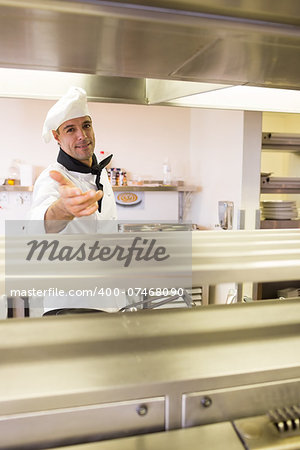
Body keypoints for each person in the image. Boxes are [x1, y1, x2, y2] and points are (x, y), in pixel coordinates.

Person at [29, 86, 117, 233]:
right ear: (57, 137)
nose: (82, 135)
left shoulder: (100, 170)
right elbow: (36, 226)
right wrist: (62, 210)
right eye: (70, 130)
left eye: (86, 125)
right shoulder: (52, 178)